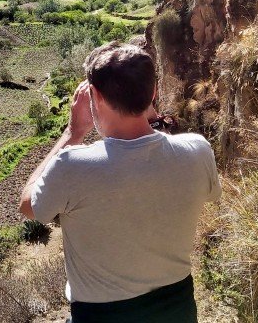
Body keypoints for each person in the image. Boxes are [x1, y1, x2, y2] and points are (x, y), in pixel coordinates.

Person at [19, 41, 221, 323]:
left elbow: (28, 206)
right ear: (154, 92)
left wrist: (72, 133)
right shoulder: (198, 150)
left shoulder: (72, 166)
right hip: (178, 310)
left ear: (95, 96)